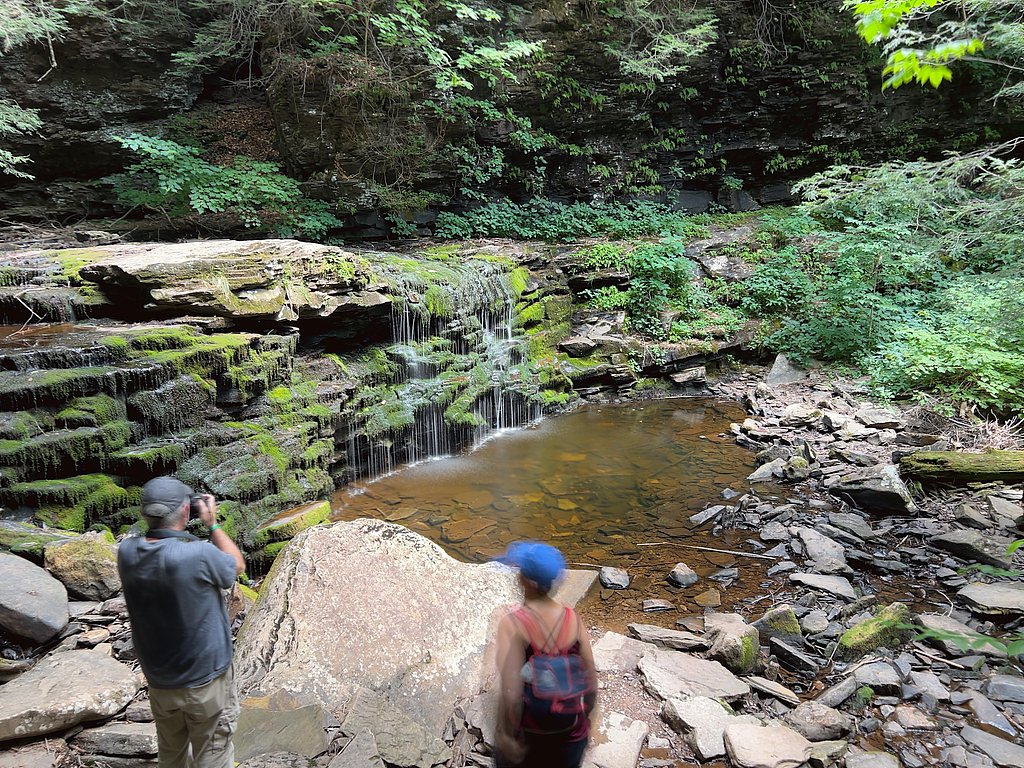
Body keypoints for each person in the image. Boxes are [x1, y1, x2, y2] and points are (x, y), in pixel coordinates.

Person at [117, 476, 245, 768]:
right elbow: (236, 565)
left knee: (171, 752)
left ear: (144, 513)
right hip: (206, 679)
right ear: (187, 511)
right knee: (214, 750)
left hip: (160, 679)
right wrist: (212, 524)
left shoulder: (126, 553)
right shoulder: (197, 553)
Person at [492, 541, 598, 768]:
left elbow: (510, 692)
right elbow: (591, 681)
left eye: (519, 570)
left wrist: (505, 734)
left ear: (526, 581)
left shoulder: (513, 624)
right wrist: (586, 722)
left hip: (531, 736)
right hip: (571, 735)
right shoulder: (573, 619)